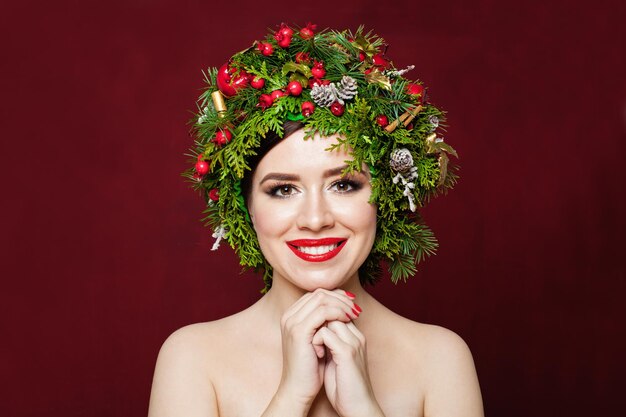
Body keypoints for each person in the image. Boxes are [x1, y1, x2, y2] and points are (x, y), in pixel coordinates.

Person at [149, 24, 483, 417]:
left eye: (343, 185)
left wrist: (364, 409)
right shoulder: (193, 359)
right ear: (247, 209)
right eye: (283, 190)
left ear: (384, 196)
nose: (315, 219)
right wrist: (291, 396)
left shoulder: (440, 360)